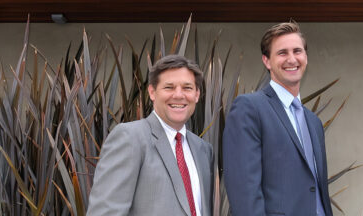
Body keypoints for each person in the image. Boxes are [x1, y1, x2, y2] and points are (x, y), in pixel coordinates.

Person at [223, 22, 332, 216]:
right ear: (267, 61)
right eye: (282, 53)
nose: (292, 59)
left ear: (305, 57)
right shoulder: (250, 108)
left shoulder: (313, 122)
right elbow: (244, 191)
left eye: (297, 51)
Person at [87, 55, 213, 216]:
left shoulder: (203, 149)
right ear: (152, 92)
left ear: (197, 94)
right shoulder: (130, 138)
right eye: (169, 87)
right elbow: (106, 211)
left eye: (187, 88)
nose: (179, 95)